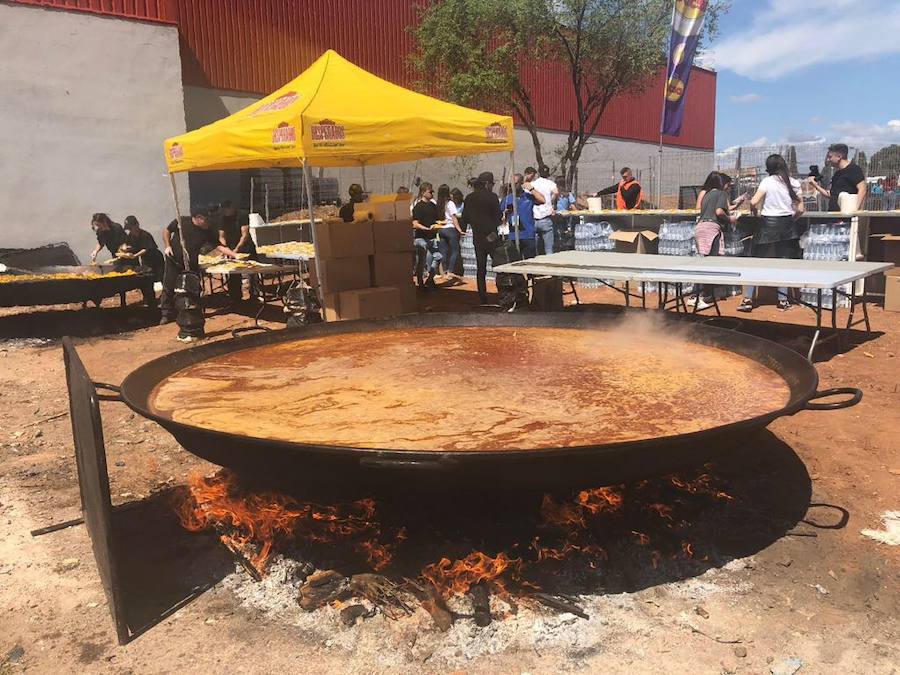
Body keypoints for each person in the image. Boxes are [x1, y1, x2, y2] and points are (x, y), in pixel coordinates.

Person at [738, 154, 804, 313]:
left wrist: (756, 214)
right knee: (783, 263)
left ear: (769, 168)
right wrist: (791, 220)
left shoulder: (768, 181)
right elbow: (801, 209)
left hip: (767, 224)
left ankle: (747, 299)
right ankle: (782, 301)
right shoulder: (794, 182)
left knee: (757, 262)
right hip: (787, 225)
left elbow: (753, 202)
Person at [160, 207, 238, 340]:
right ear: (198, 218)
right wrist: (167, 246)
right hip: (174, 259)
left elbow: (218, 245)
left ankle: (193, 311)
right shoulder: (181, 221)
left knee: (193, 288)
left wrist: (234, 254)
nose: (208, 223)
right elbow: (166, 231)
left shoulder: (206, 231)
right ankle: (166, 313)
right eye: (206, 220)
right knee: (169, 285)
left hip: (191, 262)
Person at [693, 173, 739, 310]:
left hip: (700, 228)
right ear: (723, 184)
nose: (729, 188)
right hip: (712, 229)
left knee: (703, 261)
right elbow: (719, 212)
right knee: (711, 263)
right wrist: (730, 219)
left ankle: (699, 294)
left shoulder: (707, 194)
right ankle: (704, 297)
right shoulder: (721, 194)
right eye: (728, 185)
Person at [459, 171, 503, 304]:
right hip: (492, 236)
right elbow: (497, 218)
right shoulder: (492, 197)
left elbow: (465, 218)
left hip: (477, 237)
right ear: (487, 184)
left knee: (481, 268)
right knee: (499, 266)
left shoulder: (469, 198)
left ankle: (482, 297)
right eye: (492, 184)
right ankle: (502, 293)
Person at [809, 143, 866, 212]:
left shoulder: (853, 169)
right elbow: (831, 195)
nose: (828, 160)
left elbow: (862, 189)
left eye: (830, 157)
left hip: (846, 217)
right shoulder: (837, 174)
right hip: (833, 215)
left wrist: (855, 210)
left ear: (839, 156)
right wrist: (815, 185)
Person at [218, 200, 256, 302]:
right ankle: (235, 297)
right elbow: (222, 235)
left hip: (245, 246)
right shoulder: (222, 218)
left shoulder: (242, 215)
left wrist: (237, 249)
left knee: (252, 271)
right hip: (231, 247)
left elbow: (245, 235)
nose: (225, 211)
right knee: (233, 272)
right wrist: (226, 248)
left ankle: (255, 294)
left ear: (232, 207)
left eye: (227, 208)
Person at [500, 173, 544, 259]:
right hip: (513, 235)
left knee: (530, 262)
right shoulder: (507, 199)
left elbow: (542, 200)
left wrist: (531, 189)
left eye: (515, 184)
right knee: (515, 263)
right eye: (510, 184)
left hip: (528, 235)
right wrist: (505, 214)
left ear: (521, 183)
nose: (512, 186)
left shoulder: (528, 197)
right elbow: (501, 216)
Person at [411, 182, 441, 289]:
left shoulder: (433, 205)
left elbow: (436, 220)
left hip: (432, 237)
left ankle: (430, 278)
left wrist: (438, 225)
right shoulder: (418, 207)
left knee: (438, 257)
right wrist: (426, 228)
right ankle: (420, 283)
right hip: (421, 237)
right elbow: (415, 223)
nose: (432, 193)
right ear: (423, 192)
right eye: (430, 191)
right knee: (421, 261)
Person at [435, 184, 465, 283]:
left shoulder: (438, 204)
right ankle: (450, 271)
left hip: (441, 229)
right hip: (450, 229)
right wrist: (460, 230)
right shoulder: (450, 203)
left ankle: (444, 271)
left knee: (443, 252)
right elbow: (454, 218)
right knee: (455, 251)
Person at [122, 215, 164, 281]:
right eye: (128, 229)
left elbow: (146, 249)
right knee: (148, 277)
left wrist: (135, 256)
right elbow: (127, 244)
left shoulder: (145, 235)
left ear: (137, 225)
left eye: (131, 228)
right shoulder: (130, 236)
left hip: (155, 258)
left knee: (161, 276)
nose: (130, 230)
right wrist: (125, 248)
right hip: (145, 259)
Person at [529, 165, 558, 255]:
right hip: (546, 217)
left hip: (534, 218)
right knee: (549, 249)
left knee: (536, 250)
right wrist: (551, 202)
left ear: (538, 173)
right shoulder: (550, 183)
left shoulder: (533, 184)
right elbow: (556, 192)